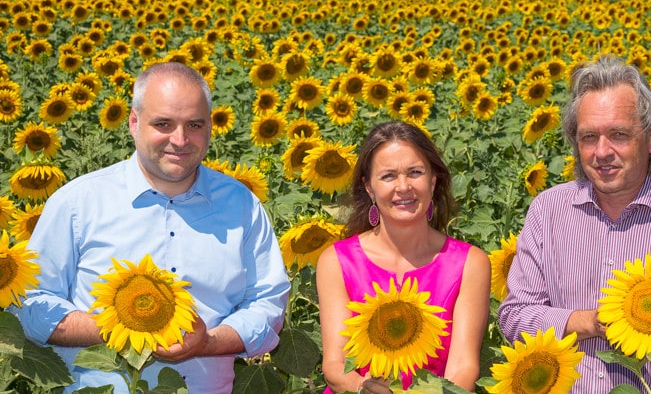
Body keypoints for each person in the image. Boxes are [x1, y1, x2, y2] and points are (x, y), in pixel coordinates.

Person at [11, 62, 291, 393]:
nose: (180, 139)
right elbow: (31, 302)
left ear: (210, 128)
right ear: (133, 122)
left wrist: (209, 342)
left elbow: (268, 302)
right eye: (163, 123)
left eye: (195, 125)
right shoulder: (78, 203)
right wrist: (125, 325)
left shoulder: (241, 206)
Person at [498, 55, 651, 393]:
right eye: (589, 137)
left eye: (619, 135)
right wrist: (586, 322)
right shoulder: (547, 211)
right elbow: (514, 317)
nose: (602, 151)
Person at [317, 121, 491, 394]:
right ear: (369, 188)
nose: (403, 186)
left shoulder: (470, 263)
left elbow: (463, 368)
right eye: (388, 176)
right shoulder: (337, 261)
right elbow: (335, 365)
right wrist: (364, 386)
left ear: (433, 182)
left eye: (415, 172)